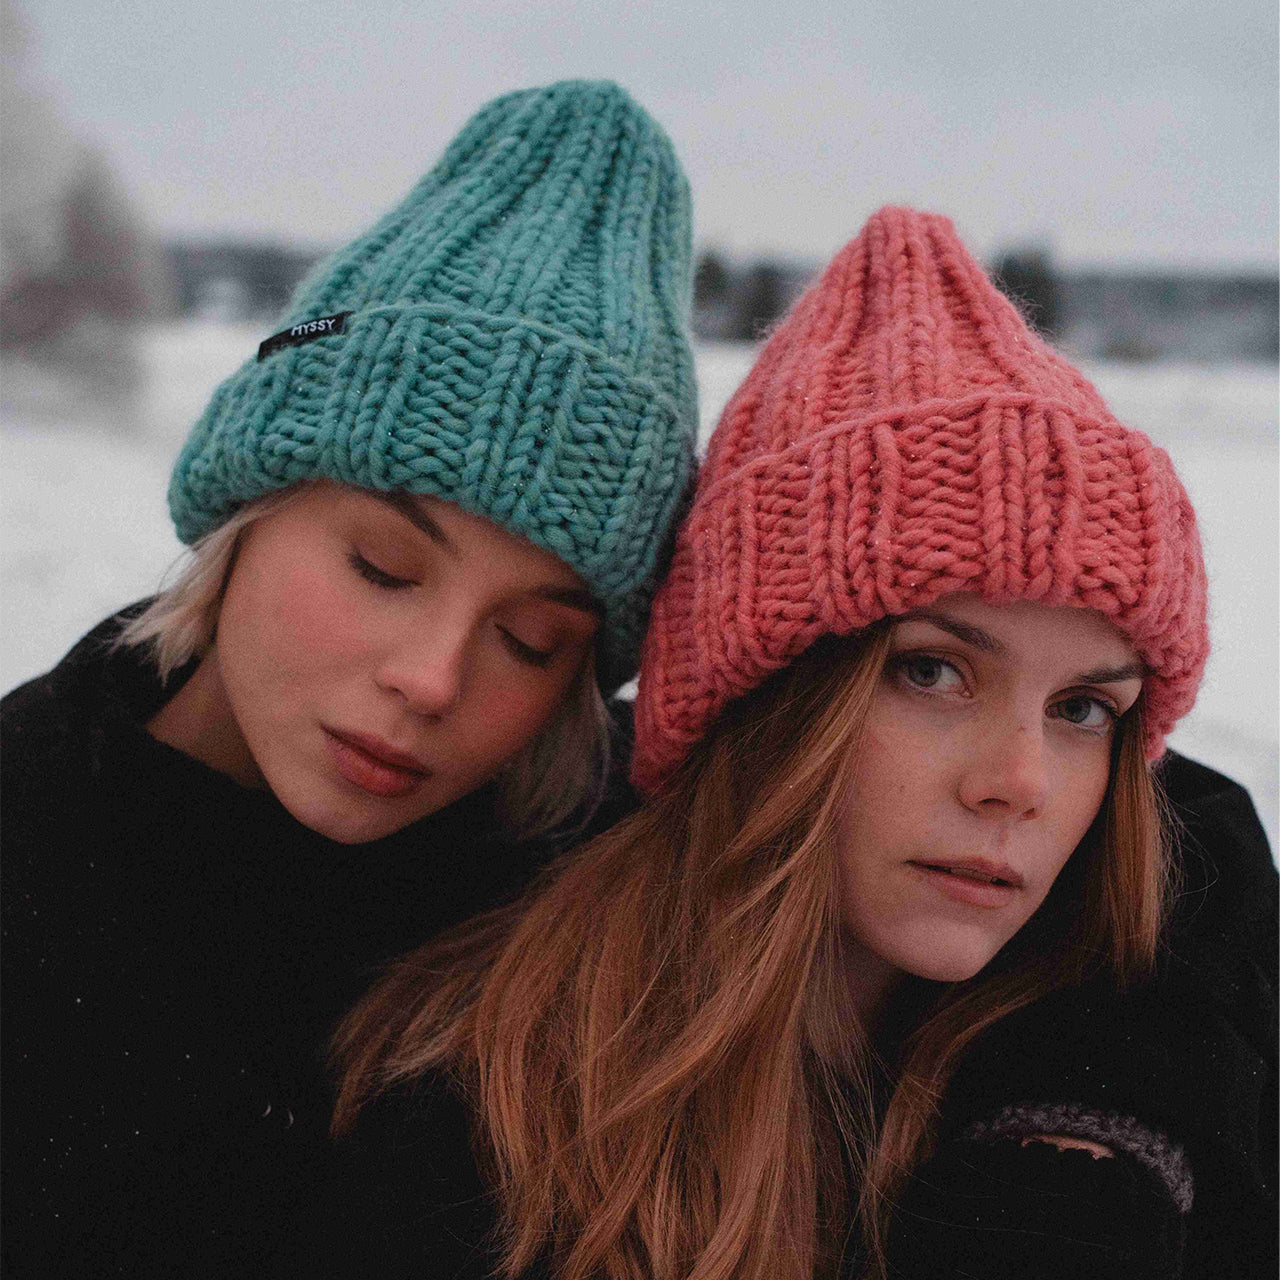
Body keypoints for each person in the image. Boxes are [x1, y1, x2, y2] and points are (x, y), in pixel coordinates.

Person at [327, 207, 1277, 1279]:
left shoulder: (1166, 1068)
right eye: (930, 671)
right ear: (759, 697)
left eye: (1082, 708)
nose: (1017, 783)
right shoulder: (488, 1104)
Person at [0, 80, 699, 1275]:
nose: (431, 680)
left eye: (532, 640)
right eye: (382, 567)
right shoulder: (28, 843)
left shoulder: (603, 880)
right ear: (249, 508)